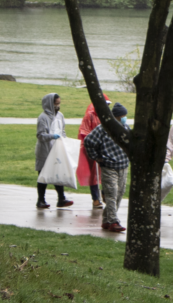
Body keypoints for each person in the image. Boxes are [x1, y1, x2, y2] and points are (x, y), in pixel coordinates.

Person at [81, 102, 130, 233]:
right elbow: (88, 141)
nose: (125, 118)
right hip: (109, 166)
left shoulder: (125, 127)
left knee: (119, 193)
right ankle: (114, 221)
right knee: (111, 193)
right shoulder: (103, 128)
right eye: (123, 115)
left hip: (123, 166)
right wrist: (96, 157)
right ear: (117, 116)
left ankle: (106, 220)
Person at [34, 92, 73, 209]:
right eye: (56, 104)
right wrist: (52, 136)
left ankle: (61, 198)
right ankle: (41, 200)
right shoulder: (43, 118)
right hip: (45, 151)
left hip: (57, 149)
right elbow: (40, 135)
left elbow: (63, 130)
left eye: (59, 103)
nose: (58, 106)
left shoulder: (60, 115)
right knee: (43, 174)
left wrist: (64, 140)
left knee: (58, 173)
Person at [77, 96, 107, 210]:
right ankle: (96, 198)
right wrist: (94, 143)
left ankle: (104, 194)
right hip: (92, 148)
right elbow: (84, 131)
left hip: (103, 148)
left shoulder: (105, 115)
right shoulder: (89, 115)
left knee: (105, 173)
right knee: (93, 175)